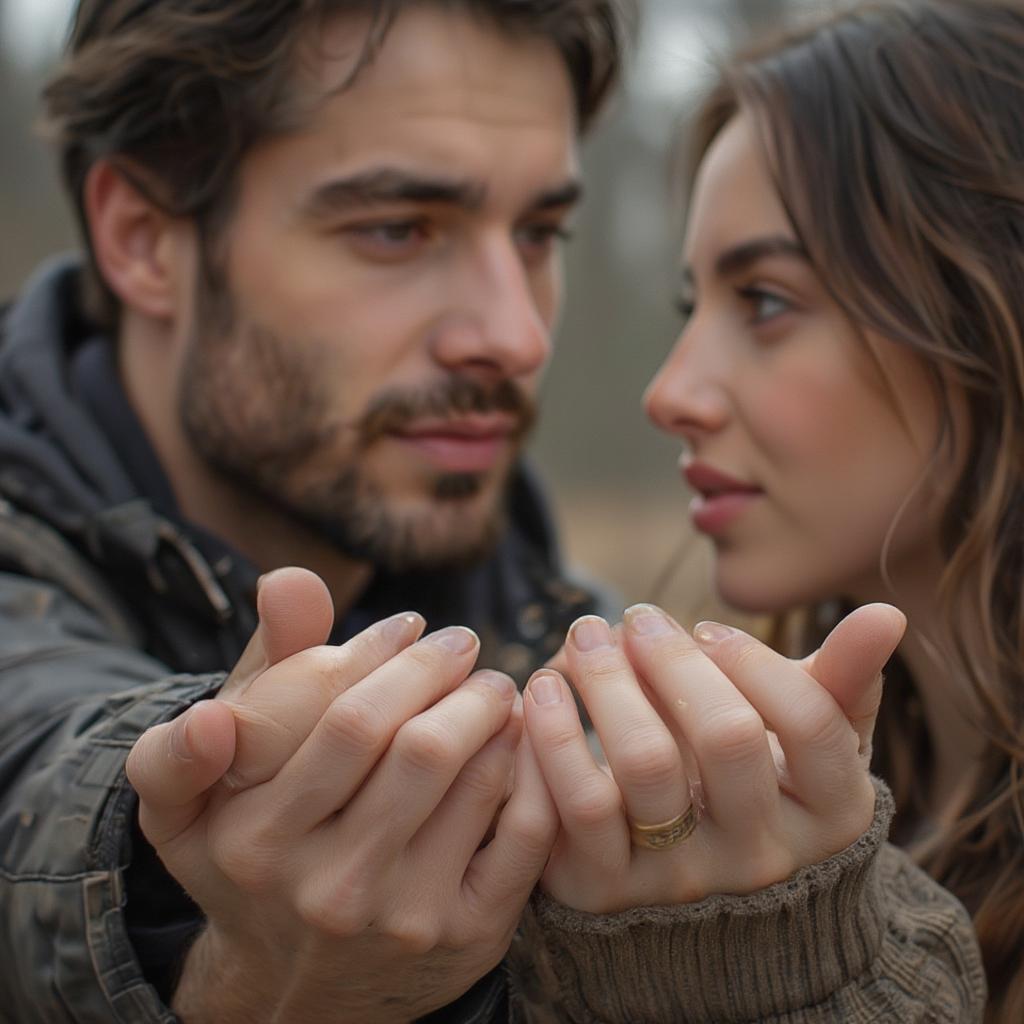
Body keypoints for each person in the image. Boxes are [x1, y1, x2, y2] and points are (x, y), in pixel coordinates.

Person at [0, 1, 624, 1019]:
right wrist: (184, 833)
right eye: (397, 229)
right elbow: (30, 754)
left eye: (539, 232)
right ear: (144, 239)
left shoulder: (576, 636)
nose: (514, 335)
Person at [518, 0, 1017, 1020]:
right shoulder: (793, 811)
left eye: (766, 300)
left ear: (992, 306)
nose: (670, 393)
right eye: (691, 305)